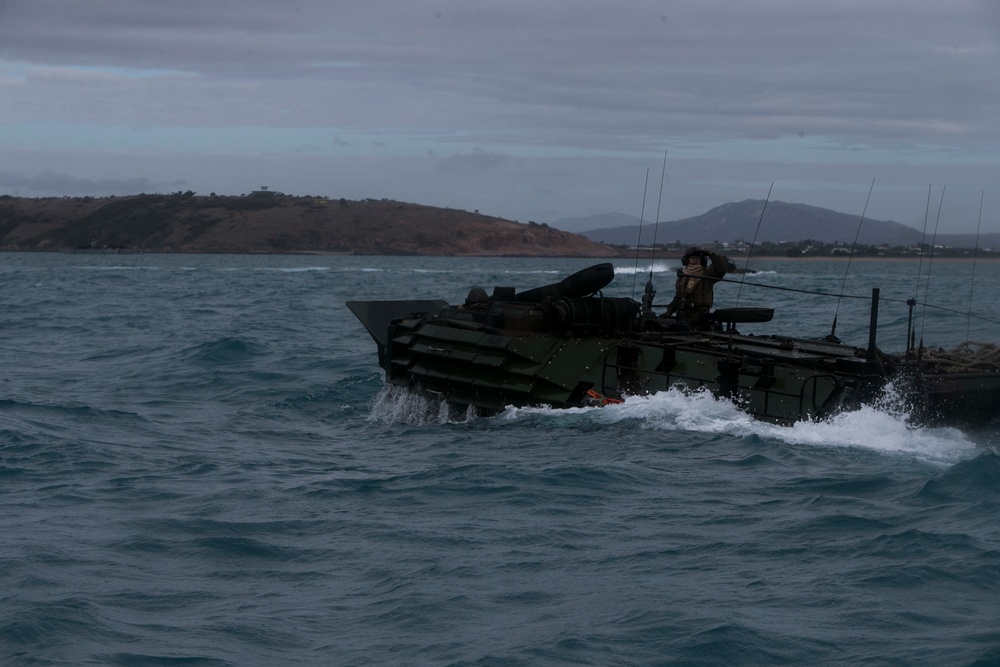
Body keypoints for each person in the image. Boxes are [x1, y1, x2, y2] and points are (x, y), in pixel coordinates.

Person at [664, 247, 729, 329]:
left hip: (700, 316)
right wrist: (669, 311)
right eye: (692, 258)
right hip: (684, 316)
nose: (695, 260)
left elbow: (721, 270)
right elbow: (679, 296)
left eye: (697, 258)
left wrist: (711, 254)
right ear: (687, 259)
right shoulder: (683, 275)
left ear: (702, 260)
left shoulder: (707, 273)